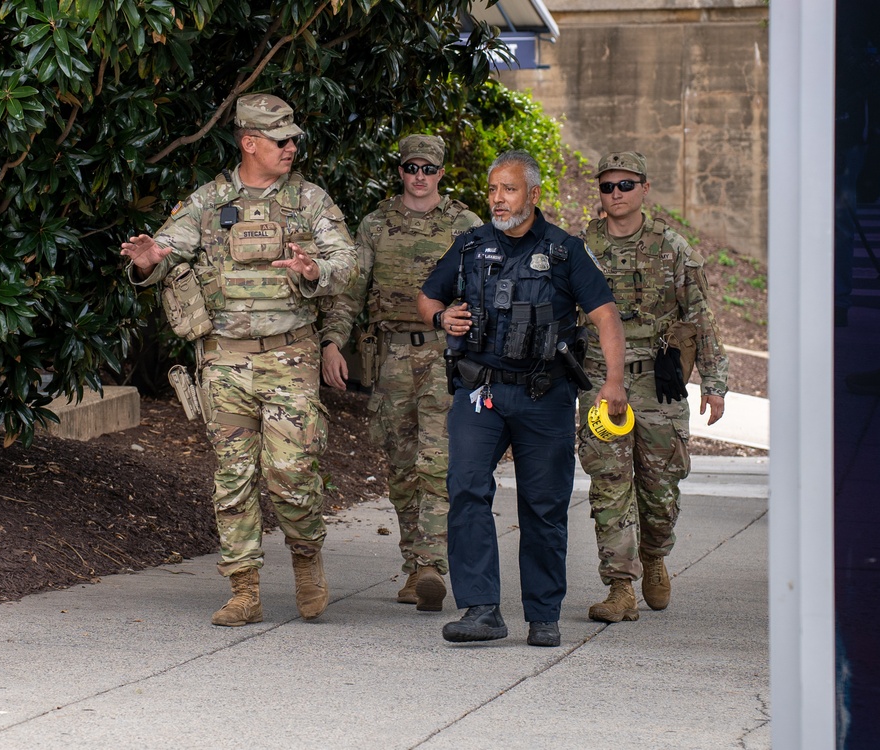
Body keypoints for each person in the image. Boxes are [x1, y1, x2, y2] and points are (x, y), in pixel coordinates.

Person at [120, 94, 357, 627]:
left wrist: (316, 271)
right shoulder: (208, 201)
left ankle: (306, 559)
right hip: (223, 364)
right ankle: (244, 588)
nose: (292, 146)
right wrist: (147, 261)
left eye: (294, 138)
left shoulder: (310, 201)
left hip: (289, 358)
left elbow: (348, 262)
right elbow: (163, 252)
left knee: (293, 472)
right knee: (233, 478)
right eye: (281, 139)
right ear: (250, 143)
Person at [418, 150, 627, 647]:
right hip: (481, 391)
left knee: (544, 504)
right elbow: (428, 295)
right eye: (492, 189)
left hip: (545, 394)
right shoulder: (469, 246)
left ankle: (543, 615)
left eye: (508, 189)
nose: (497, 198)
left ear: (532, 195)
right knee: (467, 487)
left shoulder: (564, 250)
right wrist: (440, 318)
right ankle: (482, 609)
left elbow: (605, 316)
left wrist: (613, 382)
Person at [319, 135, 482, 612]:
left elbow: (486, 290)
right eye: (411, 167)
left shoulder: (464, 225)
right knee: (401, 465)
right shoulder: (375, 224)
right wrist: (332, 341)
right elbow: (350, 291)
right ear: (401, 171)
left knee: (437, 460)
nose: (419, 177)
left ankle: (431, 563)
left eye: (428, 169)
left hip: (446, 357)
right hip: (390, 359)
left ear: (441, 174)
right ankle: (415, 566)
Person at [577, 151, 728, 624]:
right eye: (607, 186)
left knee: (660, 489)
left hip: (659, 382)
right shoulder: (580, 248)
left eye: (626, 185)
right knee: (609, 483)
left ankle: (655, 555)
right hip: (602, 382)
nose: (616, 194)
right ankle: (619, 588)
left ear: (645, 188)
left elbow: (700, 316)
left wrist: (714, 380)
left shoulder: (673, 247)